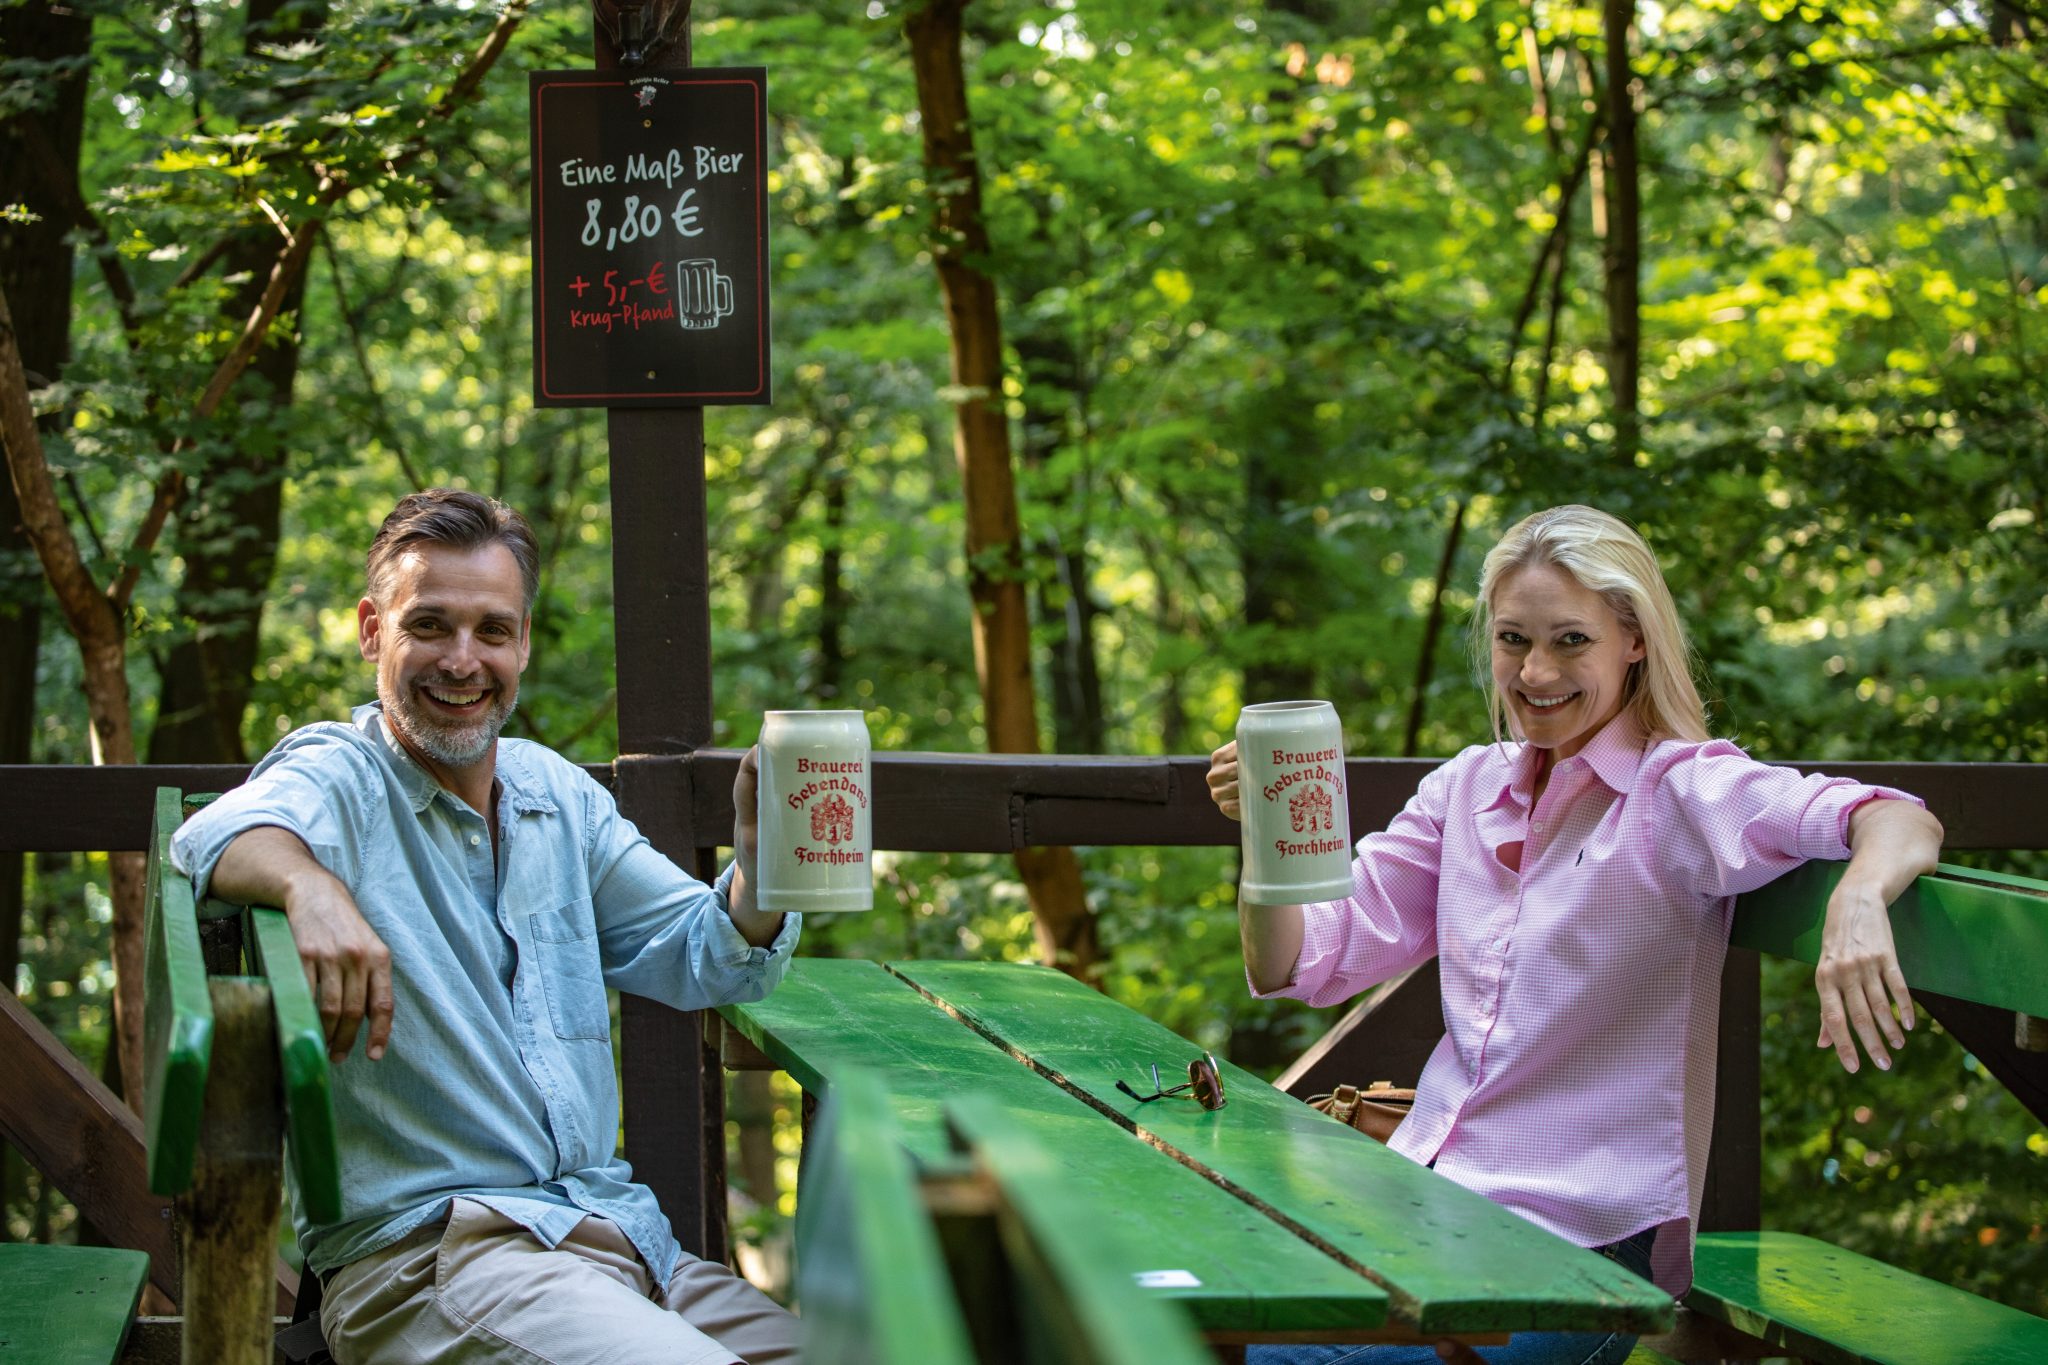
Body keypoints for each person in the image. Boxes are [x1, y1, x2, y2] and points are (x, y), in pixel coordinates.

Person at [1205, 505, 1943, 1365]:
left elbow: (1896, 818)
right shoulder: (1465, 789)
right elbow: (1299, 960)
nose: (1536, 670)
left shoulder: (1680, 792)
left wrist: (1857, 901)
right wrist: (1265, 829)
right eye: (1514, 640)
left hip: (1584, 1247)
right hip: (1423, 1206)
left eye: (1570, 641)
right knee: (1197, 1314)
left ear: (1632, 640)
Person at [172, 489, 801, 1365]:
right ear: (370, 630)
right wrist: (309, 885)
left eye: (492, 631)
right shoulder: (344, 771)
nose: (462, 661)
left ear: (524, 643)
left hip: (621, 1245)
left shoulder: (558, 796)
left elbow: (705, 955)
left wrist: (764, 859)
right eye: (430, 625)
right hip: (435, 1260)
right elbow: (211, 833)